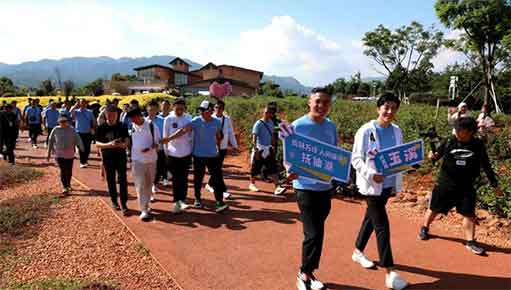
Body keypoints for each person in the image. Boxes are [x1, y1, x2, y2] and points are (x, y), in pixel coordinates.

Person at [418, 116, 503, 255]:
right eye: (456, 128)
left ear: (470, 131)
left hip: (467, 185)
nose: (456, 130)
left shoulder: (478, 145)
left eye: (460, 129)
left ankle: (470, 242)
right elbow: (436, 157)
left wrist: (494, 184)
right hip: (446, 183)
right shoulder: (449, 141)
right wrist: (431, 156)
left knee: (469, 214)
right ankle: (425, 228)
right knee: (434, 208)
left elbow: (486, 165)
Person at [351, 92, 408, 290]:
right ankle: (389, 271)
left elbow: (399, 156)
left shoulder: (396, 131)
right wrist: (370, 173)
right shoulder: (366, 131)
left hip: (388, 184)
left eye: (394, 108)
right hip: (371, 185)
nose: (390, 111)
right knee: (382, 225)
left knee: (371, 218)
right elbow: (356, 159)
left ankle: (358, 251)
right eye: (386, 107)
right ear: (379, 108)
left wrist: (410, 164)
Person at [282, 88, 336, 290]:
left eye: (326, 103)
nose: (321, 106)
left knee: (317, 231)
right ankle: (304, 273)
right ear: (309, 102)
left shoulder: (331, 126)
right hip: (304, 185)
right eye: (318, 101)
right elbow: (288, 154)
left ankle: (309, 271)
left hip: (324, 186)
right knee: (313, 232)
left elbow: (334, 154)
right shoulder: (297, 125)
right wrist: (289, 169)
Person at [167, 100, 229, 213]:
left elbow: (218, 136)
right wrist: (169, 139)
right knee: (198, 179)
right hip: (198, 155)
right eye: (200, 111)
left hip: (213, 155)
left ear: (210, 111)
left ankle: (219, 201)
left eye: (203, 111)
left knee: (217, 178)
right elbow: (183, 130)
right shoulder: (195, 121)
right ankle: (197, 199)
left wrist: (218, 150)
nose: (201, 113)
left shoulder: (217, 122)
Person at [127, 107, 171, 221]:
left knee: (148, 184)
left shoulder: (151, 126)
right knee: (139, 185)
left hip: (151, 160)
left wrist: (150, 148)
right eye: (131, 119)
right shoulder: (132, 126)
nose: (133, 121)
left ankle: (146, 205)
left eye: (134, 118)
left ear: (139, 116)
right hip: (137, 160)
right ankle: (144, 209)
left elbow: (158, 143)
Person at [95, 105, 130, 214]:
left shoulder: (122, 126)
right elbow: (97, 143)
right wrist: (109, 144)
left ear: (117, 115)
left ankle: (124, 203)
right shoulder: (101, 128)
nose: (111, 117)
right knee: (111, 180)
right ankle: (114, 201)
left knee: (123, 180)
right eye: (109, 115)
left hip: (121, 156)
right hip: (108, 157)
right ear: (105, 115)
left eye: (114, 115)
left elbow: (127, 139)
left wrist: (124, 145)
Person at [163, 98, 193, 213]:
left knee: (184, 178)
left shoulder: (189, 118)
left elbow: (191, 134)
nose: (179, 110)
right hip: (173, 153)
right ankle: (176, 201)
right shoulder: (168, 119)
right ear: (173, 107)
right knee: (176, 178)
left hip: (186, 152)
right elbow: (165, 137)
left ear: (185, 108)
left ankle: (183, 199)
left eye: (182, 108)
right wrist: (166, 153)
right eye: (177, 107)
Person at [248, 104, 286, 195]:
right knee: (255, 168)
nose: (268, 114)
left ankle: (277, 187)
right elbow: (254, 138)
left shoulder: (271, 123)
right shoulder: (258, 123)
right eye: (266, 112)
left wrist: (272, 147)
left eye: (269, 112)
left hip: (268, 149)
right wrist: (256, 150)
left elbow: (272, 135)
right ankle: (252, 184)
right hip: (260, 149)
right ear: (263, 113)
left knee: (273, 167)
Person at [205, 100, 239, 199]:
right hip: (212, 148)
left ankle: (209, 184)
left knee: (217, 168)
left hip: (223, 148)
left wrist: (235, 146)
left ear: (223, 109)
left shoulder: (227, 119)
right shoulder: (210, 119)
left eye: (220, 108)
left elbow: (231, 133)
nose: (218, 109)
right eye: (216, 107)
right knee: (217, 169)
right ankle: (222, 190)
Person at [47, 114, 84, 195]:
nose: (63, 123)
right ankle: (65, 187)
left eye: (64, 121)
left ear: (67, 122)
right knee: (63, 170)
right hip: (59, 153)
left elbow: (77, 138)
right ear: (58, 122)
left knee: (69, 170)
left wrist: (81, 147)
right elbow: (50, 140)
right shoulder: (56, 129)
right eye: (61, 122)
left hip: (69, 153)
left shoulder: (71, 129)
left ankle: (68, 184)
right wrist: (49, 153)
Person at [146, 101, 166, 198]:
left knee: (159, 169)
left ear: (157, 110)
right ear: (147, 110)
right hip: (147, 150)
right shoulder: (144, 121)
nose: (152, 112)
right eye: (150, 110)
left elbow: (165, 134)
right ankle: (149, 189)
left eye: (154, 110)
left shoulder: (163, 121)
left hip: (160, 149)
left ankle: (155, 183)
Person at [71, 99, 96, 168]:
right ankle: (82, 162)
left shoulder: (89, 112)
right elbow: (71, 112)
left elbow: (93, 121)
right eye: (81, 103)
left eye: (84, 103)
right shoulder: (76, 112)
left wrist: (93, 129)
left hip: (88, 132)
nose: (82, 104)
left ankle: (85, 160)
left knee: (87, 148)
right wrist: (75, 105)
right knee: (80, 147)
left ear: (86, 104)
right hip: (79, 132)